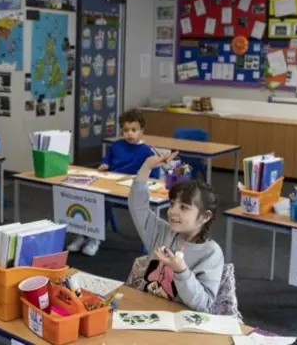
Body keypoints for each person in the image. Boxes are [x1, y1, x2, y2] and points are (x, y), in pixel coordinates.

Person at [128, 151, 224, 312]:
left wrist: (181, 271)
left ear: (205, 217)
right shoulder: (162, 232)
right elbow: (138, 206)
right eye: (172, 204)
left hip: (179, 323)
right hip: (147, 310)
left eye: (184, 208)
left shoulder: (211, 253)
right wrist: (147, 166)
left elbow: (204, 304)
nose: (173, 212)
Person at [68, 109, 155, 256]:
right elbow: (107, 159)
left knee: (103, 202)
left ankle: (95, 237)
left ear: (142, 131)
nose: (130, 134)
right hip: (111, 182)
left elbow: (150, 172)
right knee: (88, 197)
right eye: (126, 130)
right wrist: (105, 165)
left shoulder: (146, 151)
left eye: (134, 130)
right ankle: (83, 234)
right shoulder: (116, 146)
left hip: (130, 187)